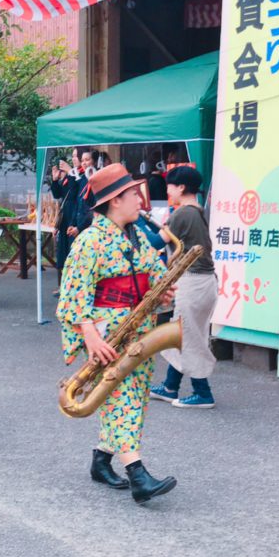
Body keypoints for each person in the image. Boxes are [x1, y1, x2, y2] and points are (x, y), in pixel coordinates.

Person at [57, 163, 177, 503]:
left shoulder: (136, 235)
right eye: (133, 194)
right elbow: (72, 296)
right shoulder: (88, 241)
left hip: (138, 327)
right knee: (121, 395)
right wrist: (91, 337)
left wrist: (162, 290)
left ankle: (101, 460)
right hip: (106, 332)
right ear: (114, 201)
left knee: (131, 396)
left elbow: (155, 274)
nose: (141, 199)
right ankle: (137, 473)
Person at [150, 166, 217, 408]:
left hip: (193, 281)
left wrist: (135, 219)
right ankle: (170, 387)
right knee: (184, 334)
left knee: (188, 337)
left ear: (181, 188)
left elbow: (155, 242)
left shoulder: (182, 214)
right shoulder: (198, 210)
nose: (167, 189)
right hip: (204, 282)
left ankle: (203, 392)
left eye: (170, 185)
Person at [51, 148, 95, 293]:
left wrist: (71, 172)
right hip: (69, 218)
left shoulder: (82, 177)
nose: (76, 160)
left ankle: (73, 287)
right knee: (63, 253)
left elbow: (79, 198)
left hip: (79, 220)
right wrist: (55, 180)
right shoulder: (74, 176)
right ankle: (64, 285)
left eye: (79, 157)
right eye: (76, 157)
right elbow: (60, 194)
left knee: (76, 255)